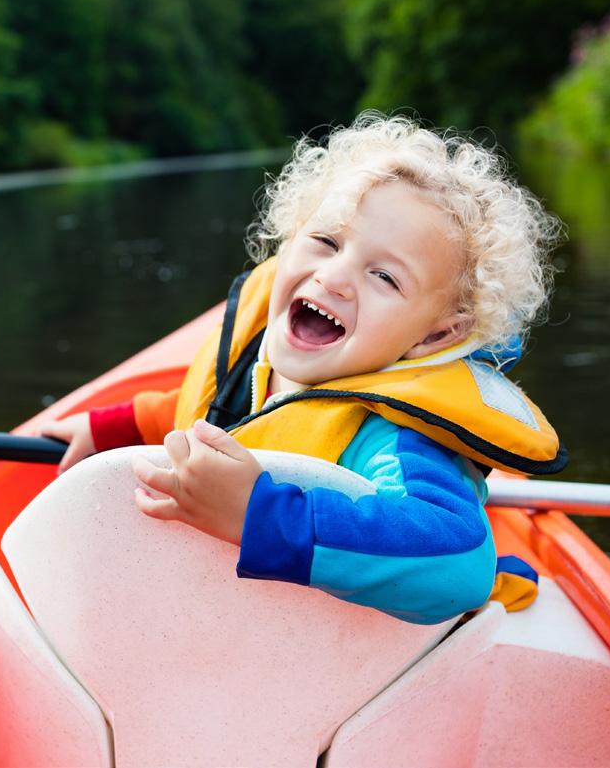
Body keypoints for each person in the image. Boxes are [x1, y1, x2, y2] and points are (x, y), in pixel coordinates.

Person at [42, 112, 566, 624]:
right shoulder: (264, 351)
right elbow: (216, 412)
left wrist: (259, 512)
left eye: (384, 277)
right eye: (327, 242)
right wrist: (114, 426)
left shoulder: (396, 437)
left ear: (436, 334)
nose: (334, 278)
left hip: (327, 662)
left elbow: (457, 564)